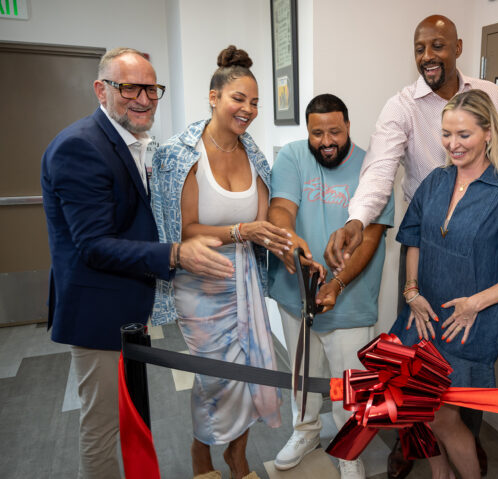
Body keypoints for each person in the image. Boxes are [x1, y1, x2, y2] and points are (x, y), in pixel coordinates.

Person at [323, 15, 498, 476]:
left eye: (438, 46)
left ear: (459, 47)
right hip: (424, 251)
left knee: (467, 356)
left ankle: (466, 440)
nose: (428, 56)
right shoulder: (402, 105)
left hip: (480, 249)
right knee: (414, 359)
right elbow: (380, 171)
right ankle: (410, 441)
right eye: (420, 48)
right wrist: (356, 218)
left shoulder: (491, 94)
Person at [41, 47, 232, 479]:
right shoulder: (80, 147)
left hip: (127, 306)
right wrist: (175, 254)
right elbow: (94, 246)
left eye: (151, 88)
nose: (143, 98)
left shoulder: (134, 143)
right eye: (129, 87)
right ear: (101, 90)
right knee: (102, 424)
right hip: (96, 312)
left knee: (130, 415)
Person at [151, 46, 291, 479]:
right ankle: (200, 453)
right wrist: (238, 232)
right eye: (238, 99)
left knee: (251, 371)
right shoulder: (182, 155)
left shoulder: (256, 157)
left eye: (254, 103)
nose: (248, 110)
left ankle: (237, 454)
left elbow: (266, 222)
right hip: (201, 285)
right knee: (216, 378)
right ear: (213, 97)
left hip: (244, 279)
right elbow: (184, 228)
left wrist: (289, 245)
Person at [389, 89, 498, 479]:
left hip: (468, 323)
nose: (452, 144)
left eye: (464, 135)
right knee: (418, 405)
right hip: (422, 314)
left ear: (489, 133)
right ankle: (441, 475)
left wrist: (474, 303)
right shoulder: (435, 182)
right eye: (446, 134)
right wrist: (411, 292)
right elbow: (413, 240)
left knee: (443, 417)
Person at [267, 94, 395, 479]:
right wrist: (293, 247)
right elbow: (281, 209)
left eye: (335, 131)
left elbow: (370, 238)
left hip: (351, 299)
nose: (326, 141)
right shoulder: (291, 156)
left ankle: (349, 451)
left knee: (349, 386)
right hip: (296, 293)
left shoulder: (373, 165)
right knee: (302, 377)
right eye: (317, 132)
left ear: (349, 127)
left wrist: (337, 282)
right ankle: (305, 433)